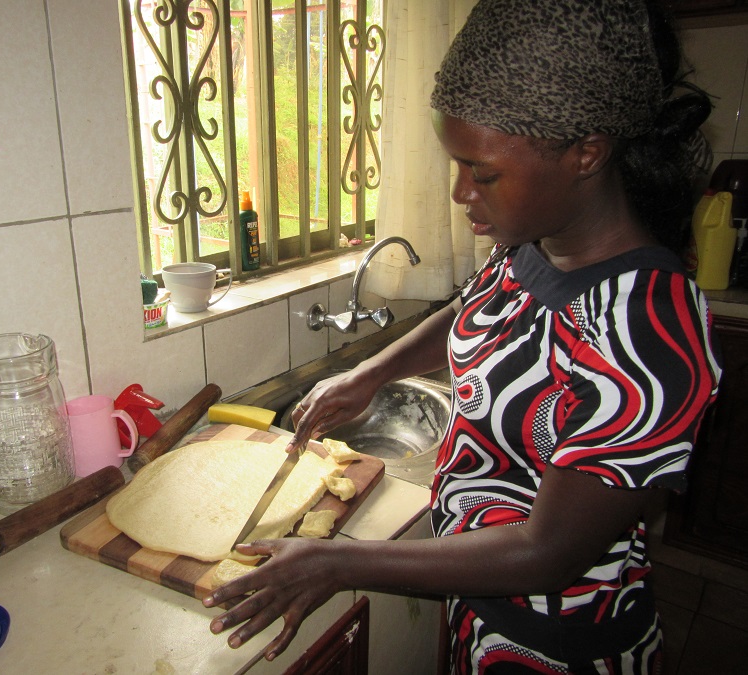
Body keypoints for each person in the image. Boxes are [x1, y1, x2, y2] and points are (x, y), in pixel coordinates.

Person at [202, 1, 722, 671]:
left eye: (483, 173)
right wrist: (368, 375)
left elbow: (546, 550)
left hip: (558, 648)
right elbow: (471, 310)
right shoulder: (533, 243)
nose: (459, 194)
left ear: (586, 152)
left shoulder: (651, 328)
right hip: (479, 613)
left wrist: (335, 560)